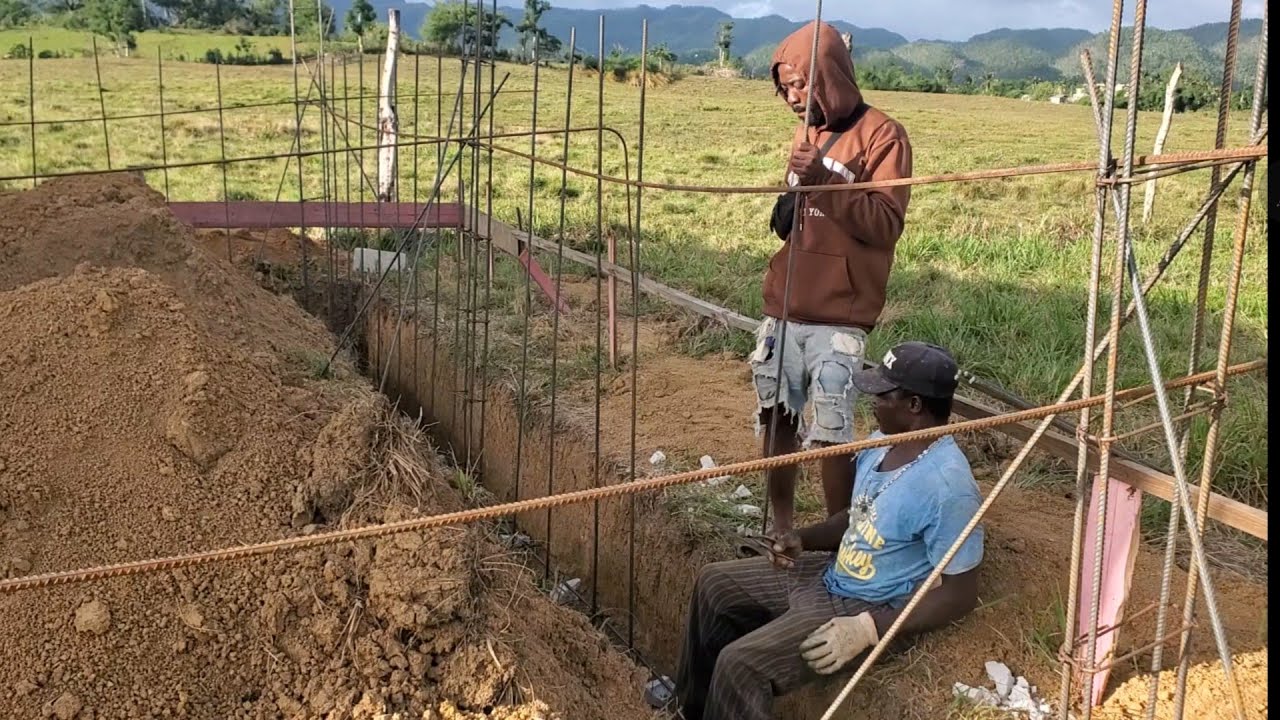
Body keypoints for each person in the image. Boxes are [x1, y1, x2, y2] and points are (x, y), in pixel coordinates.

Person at [676, 342, 982, 720]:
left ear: (914, 406)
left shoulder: (948, 486)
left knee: (740, 665)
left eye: (882, 394)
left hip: (864, 605)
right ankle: (690, 709)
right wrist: (802, 539)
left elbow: (960, 593)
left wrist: (870, 628)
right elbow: (855, 518)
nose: (872, 401)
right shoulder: (882, 444)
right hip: (830, 575)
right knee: (714, 583)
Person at [752, 20, 914, 535]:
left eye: (801, 84)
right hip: (785, 305)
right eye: (785, 89)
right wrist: (794, 194)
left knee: (831, 430)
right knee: (776, 417)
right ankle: (781, 525)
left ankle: (832, 535)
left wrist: (823, 178)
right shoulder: (808, 135)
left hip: (839, 314)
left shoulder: (883, 136)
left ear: (828, 76)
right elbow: (796, 220)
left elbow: (885, 224)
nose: (792, 98)